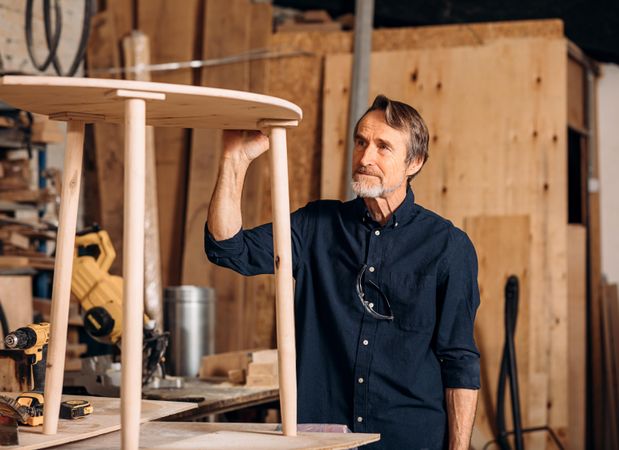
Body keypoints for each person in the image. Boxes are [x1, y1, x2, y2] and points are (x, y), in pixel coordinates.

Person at [204, 94, 480, 449]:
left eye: (383, 147)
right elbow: (229, 249)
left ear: (415, 162)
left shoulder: (448, 246)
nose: (365, 158)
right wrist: (234, 159)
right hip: (321, 439)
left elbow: (459, 361)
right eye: (361, 142)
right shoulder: (315, 226)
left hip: (408, 439)